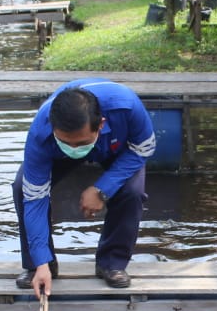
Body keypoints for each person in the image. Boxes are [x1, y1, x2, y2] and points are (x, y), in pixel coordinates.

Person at [13, 78, 155, 294]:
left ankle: (111, 264)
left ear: (101, 124)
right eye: (66, 142)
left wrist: (102, 189)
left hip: (118, 149)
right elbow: (35, 197)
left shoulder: (127, 106)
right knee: (21, 187)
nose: (73, 148)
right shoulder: (40, 133)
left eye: (79, 143)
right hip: (56, 155)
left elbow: (144, 147)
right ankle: (40, 266)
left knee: (132, 192)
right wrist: (40, 262)